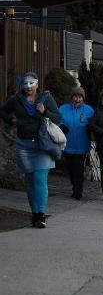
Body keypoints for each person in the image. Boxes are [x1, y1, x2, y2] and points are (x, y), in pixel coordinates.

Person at [0, 72, 62, 228]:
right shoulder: (16, 100)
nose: (28, 87)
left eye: (31, 83)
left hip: (42, 145)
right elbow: (2, 110)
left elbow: (59, 118)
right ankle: (34, 213)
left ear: (37, 84)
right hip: (23, 145)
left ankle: (41, 215)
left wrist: (45, 112)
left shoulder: (45, 98)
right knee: (29, 182)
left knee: (39, 179)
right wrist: (10, 120)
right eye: (25, 84)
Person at [59, 87, 94, 200]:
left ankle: (78, 191)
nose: (77, 99)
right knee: (70, 169)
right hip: (67, 145)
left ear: (83, 99)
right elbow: (56, 120)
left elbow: (94, 123)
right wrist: (61, 126)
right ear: (72, 98)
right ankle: (75, 186)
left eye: (80, 97)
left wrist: (91, 128)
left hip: (82, 145)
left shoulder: (89, 110)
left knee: (79, 168)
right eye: (75, 97)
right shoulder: (63, 108)